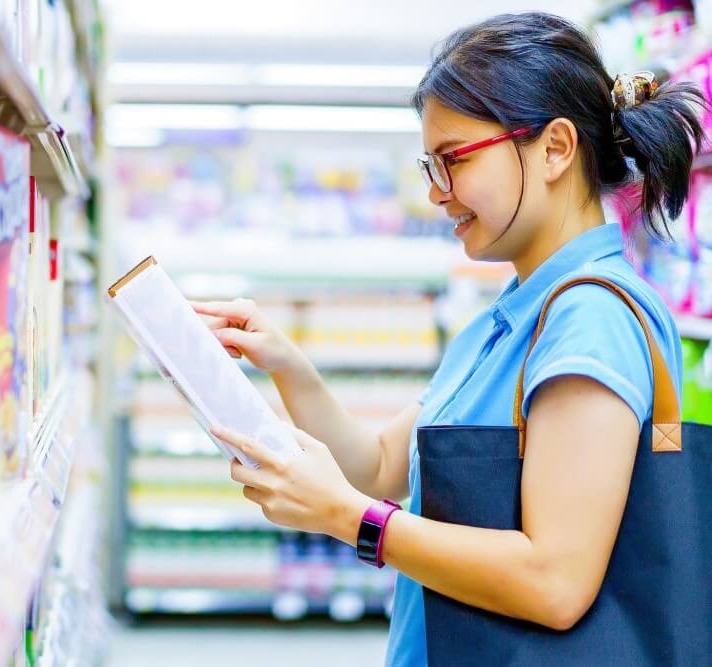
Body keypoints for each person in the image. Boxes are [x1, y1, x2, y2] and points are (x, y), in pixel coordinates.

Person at [194, 12, 705, 666]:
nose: (436, 192)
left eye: (453, 161)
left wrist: (354, 521)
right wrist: (286, 364)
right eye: (428, 165)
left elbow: (555, 581)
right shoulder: (518, 312)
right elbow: (379, 465)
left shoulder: (589, 319)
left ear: (555, 148)